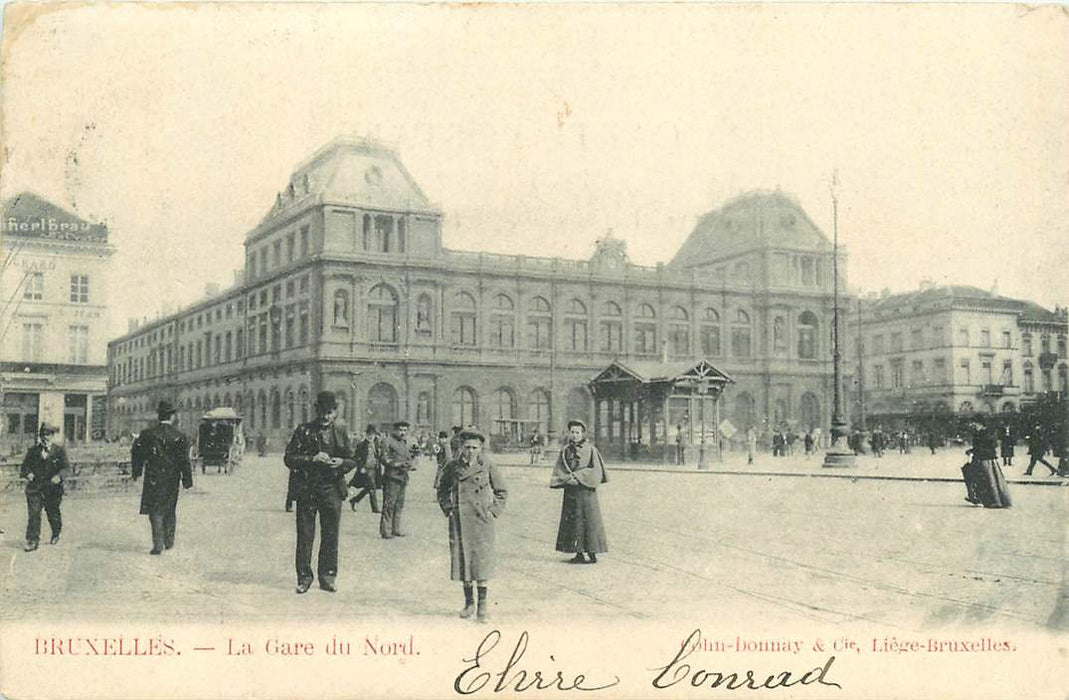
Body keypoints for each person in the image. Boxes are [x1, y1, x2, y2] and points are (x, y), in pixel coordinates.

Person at [284, 391, 357, 593]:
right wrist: (312, 459)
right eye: (323, 412)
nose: (326, 416)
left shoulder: (340, 432)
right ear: (316, 411)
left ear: (335, 412)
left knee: (331, 535)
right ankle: (304, 578)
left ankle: (328, 576)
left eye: (330, 412)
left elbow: (352, 460)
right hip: (307, 489)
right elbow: (289, 458)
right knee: (305, 535)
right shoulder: (303, 430)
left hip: (332, 489)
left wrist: (342, 463)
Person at [436, 428, 508, 623]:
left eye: (475, 447)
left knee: (481, 562)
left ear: (481, 448)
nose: (470, 451)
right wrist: (448, 508)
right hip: (459, 521)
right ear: (460, 447)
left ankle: (483, 606)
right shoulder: (452, 466)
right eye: (467, 447)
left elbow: (501, 491)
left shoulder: (488, 465)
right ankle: (469, 603)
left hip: (481, 521)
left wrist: (493, 511)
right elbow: (441, 490)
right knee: (463, 562)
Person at [131, 401, 194, 555]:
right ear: (172, 417)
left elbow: (136, 454)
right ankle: (169, 540)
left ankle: (158, 543)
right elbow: (184, 460)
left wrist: (137, 472)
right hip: (172, 477)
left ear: (158, 416)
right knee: (170, 508)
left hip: (153, 476)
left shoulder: (147, 434)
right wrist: (187, 480)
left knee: (155, 510)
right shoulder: (180, 436)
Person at [550, 419, 608, 564]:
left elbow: (596, 470)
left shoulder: (591, 450)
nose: (575, 435)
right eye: (572, 432)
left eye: (577, 432)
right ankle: (578, 553)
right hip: (571, 491)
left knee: (590, 521)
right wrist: (566, 479)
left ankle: (592, 552)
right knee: (574, 522)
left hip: (586, 491)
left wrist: (578, 477)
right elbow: (559, 469)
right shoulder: (565, 451)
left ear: (583, 433)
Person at [19, 423, 70, 552]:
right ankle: (32, 540)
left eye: (48, 435)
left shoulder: (59, 451)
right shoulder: (33, 451)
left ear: (52, 436)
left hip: (52, 488)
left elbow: (66, 468)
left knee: (52, 512)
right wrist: (28, 473)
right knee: (34, 513)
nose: (45, 438)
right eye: (43, 435)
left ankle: (56, 532)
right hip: (35, 488)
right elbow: (24, 467)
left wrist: (59, 476)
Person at [379, 420, 416, 539]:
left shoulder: (404, 442)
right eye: (400, 430)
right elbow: (384, 458)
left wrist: (411, 463)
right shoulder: (387, 441)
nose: (403, 433)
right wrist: (398, 464)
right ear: (394, 430)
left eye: (405, 430)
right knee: (389, 504)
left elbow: (408, 457)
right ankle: (386, 530)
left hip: (403, 477)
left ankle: (396, 528)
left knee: (399, 504)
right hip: (392, 477)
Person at [961, 422, 1011, 508]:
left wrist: (973, 450)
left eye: (975, 425)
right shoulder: (985, 433)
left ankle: (992, 500)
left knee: (987, 480)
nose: (973, 427)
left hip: (985, 459)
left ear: (980, 424)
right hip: (984, 458)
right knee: (989, 480)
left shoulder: (984, 434)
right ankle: (989, 499)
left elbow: (986, 447)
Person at [349, 424, 381, 513]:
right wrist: (361, 467)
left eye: (372, 434)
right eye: (369, 434)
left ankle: (354, 500)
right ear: (366, 434)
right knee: (372, 488)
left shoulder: (377, 444)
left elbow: (379, 456)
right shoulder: (361, 445)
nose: (371, 436)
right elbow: (356, 458)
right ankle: (375, 508)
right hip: (366, 469)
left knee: (369, 488)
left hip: (375, 469)